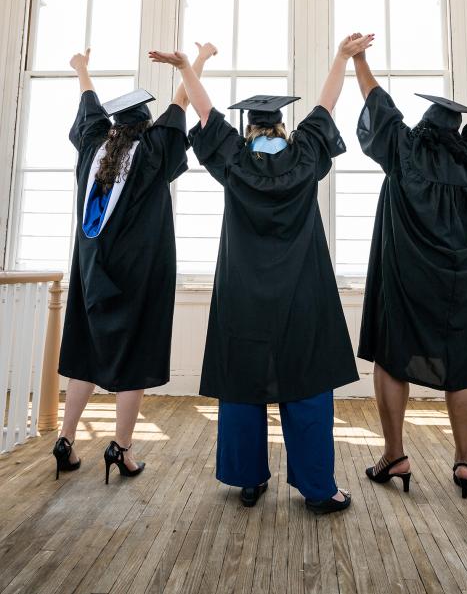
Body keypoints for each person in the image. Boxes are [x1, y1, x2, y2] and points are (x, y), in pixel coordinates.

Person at [148, 35, 373, 514]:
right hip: (302, 291)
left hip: (242, 293)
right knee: (308, 383)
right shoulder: (306, 154)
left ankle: (248, 480)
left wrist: (188, 67)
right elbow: (327, 104)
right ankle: (318, 489)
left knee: (242, 381)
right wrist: (340, 57)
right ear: (284, 126)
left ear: (249, 129)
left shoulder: (234, 159)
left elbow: (206, 115)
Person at [353, 41, 467, 499]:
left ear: (424, 127)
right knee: (465, 368)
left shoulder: (405, 150)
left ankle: (395, 454)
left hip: (409, 281)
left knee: (392, 357)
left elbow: (378, 105)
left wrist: (359, 61)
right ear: (458, 131)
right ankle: (464, 462)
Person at [53, 42, 217, 483]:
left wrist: (81, 67)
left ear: (111, 125)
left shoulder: (92, 147)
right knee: (135, 354)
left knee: (86, 351)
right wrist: (197, 62)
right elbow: (181, 101)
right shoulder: (151, 152)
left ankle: (65, 439)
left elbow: (88, 105)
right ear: (147, 125)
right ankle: (121, 448)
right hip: (140, 276)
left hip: (91, 274)